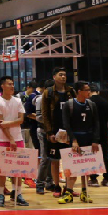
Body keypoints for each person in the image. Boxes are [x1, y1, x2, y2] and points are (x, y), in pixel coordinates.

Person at [0, 75, 27, 207]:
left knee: (18, 168)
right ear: (2, 86)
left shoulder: (17, 101)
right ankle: (0, 194)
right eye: (9, 84)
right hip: (3, 139)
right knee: (2, 170)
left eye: (12, 84)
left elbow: (21, 120)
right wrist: (10, 138)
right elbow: (0, 124)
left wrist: (8, 123)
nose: (12, 86)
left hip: (18, 138)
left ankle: (17, 193)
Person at [59, 81, 99, 204]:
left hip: (88, 139)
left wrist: (95, 140)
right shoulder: (69, 104)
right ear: (79, 91)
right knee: (72, 168)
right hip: (75, 139)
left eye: (89, 90)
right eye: (86, 90)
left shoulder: (91, 104)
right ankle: (69, 193)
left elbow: (96, 124)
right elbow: (66, 124)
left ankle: (84, 193)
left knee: (86, 168)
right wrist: (74, 140)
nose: (89, 92)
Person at [40, 67, 74, 198]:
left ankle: (68, 187)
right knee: (54, 160)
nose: (63, 77)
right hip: (54, 131)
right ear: (54, 77)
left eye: (65, 75)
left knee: (69, 160)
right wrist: (49, 132)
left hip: (69, 131)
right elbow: (45, 114)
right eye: (60, 75)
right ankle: (56, 186)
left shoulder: (71, 91)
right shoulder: (48, 93)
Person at [87, 83, 108, 188]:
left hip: (91, 132)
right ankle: (107, 179)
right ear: (98, 91)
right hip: (103, 132)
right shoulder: (105, 102)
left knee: (92, 155)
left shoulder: (87, 103)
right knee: (105, 155)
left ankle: (93, 179)